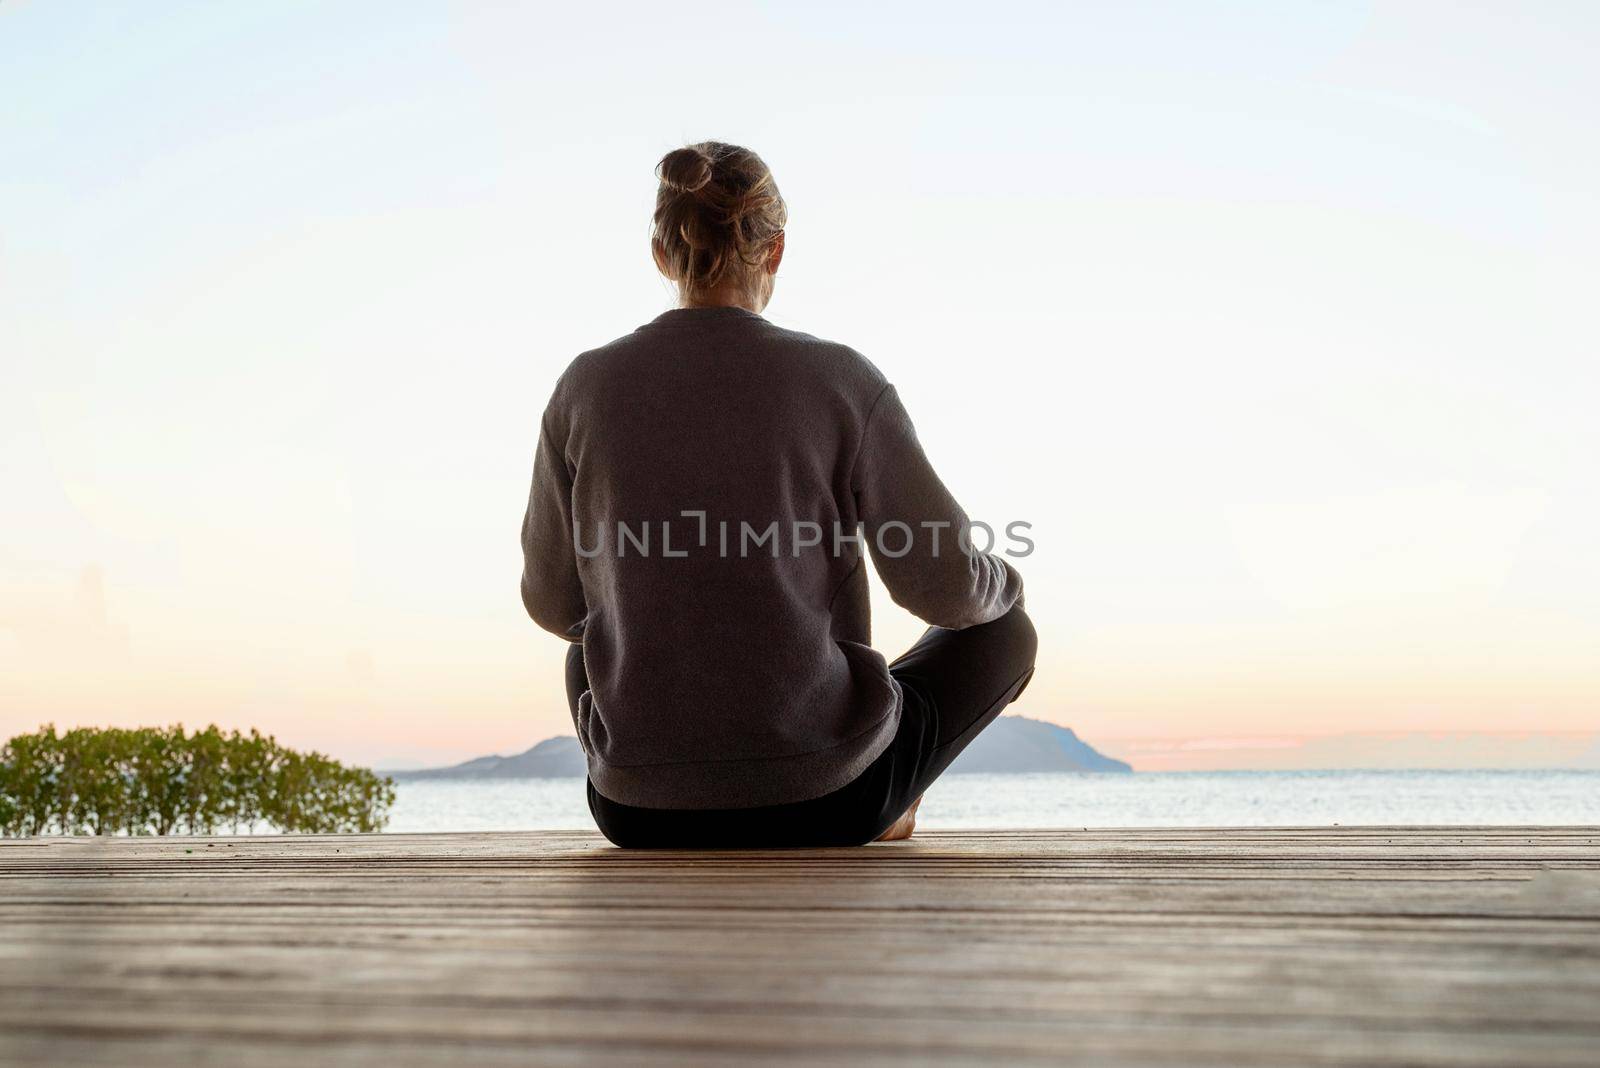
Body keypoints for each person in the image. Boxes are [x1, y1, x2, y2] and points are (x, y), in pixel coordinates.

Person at [520, 141, 1035, 848]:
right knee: (1007, 631)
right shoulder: (842, 382)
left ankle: (672, 770)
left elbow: (555, 605)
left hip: (637, 811)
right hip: (830, 799)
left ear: (660, 255)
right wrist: (1005, 580)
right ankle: (895, 801)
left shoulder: (583, 388)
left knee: (588, 647)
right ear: (777, 249)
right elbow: (946, 588)